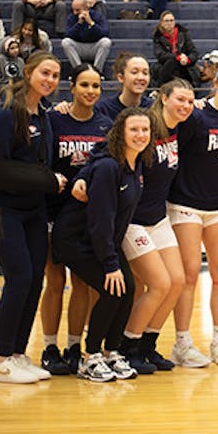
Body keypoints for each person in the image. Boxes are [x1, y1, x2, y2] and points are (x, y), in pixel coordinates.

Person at [51, 108, 152, 382]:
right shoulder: (109, 167)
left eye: (145, 130)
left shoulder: (135, 162)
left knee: (128, 289)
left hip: (103, 239)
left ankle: (112, 351)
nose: (140, 135)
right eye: (134, 129)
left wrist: (112, 255)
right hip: (77, 240)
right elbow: (100, 219)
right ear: (120, 133)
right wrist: (110, 263)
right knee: (112, 291)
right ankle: (90, 356)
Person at [167, 63, 218, 366]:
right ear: (215, 83)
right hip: (186, 204)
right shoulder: (196, 115)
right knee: (189, 275)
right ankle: (182, 343)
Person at [113, 79, 196, 371]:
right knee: (158, 284)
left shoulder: (179, 128)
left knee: (178, 281)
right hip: (133, 221)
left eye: (190, 101)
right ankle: (127, 345)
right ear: (163, 98)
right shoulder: (144, 126)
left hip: (158, 218)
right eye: (180, 100)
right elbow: (111, 151)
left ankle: (149, 344)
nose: (186, 106)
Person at [38, 64, 110, 376]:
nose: (90, 92)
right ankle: (49, 346)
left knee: (82, 284)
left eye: (95, 86)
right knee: (55, 281)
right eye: (84, 85)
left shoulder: (105, 126)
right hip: (53, 212)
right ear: (72, 86)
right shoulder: (54, 119)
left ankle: (73, 345)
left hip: (84, 218)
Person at [0, 52, 64, 384]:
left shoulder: (47, 114)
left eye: (55, 75)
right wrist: (49, 181)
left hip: (35, 211)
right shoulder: (7, 113)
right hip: (4, 209)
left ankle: (17, 354)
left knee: (35, 280)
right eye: (45, 73)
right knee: (20, 277)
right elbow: (0, 168)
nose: (50, 80)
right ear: (28, 72)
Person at [95, 53, 153, 121]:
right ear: (121, 78)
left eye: (145, 73)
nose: (141, 77)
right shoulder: (103, 109)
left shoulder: (154, 108)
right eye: (134, 72)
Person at [62, 0, 111, 74]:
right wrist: (79, 24)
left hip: (94, 47)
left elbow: (104, 33)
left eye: (77, 10)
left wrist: (91, 23)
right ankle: (79, 72)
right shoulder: (71, 17)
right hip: (79, 48)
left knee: (106, 42)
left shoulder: (98, 16)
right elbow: (68, 34)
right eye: (73, 10)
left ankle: (96, 72)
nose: (75, 12)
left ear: (86, 8)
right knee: (66, 42)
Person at [152, 11, 200, 87]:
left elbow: (194, 52)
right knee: (171, 62)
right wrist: (178, 57)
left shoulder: (184, 34)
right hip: (167, 67)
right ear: (161, 23)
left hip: (184, 66)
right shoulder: (158, 37)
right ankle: (160, 88)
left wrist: (187, 59)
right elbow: (160, 55)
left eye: (171, 20)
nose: (169, 23)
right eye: (166, 21)